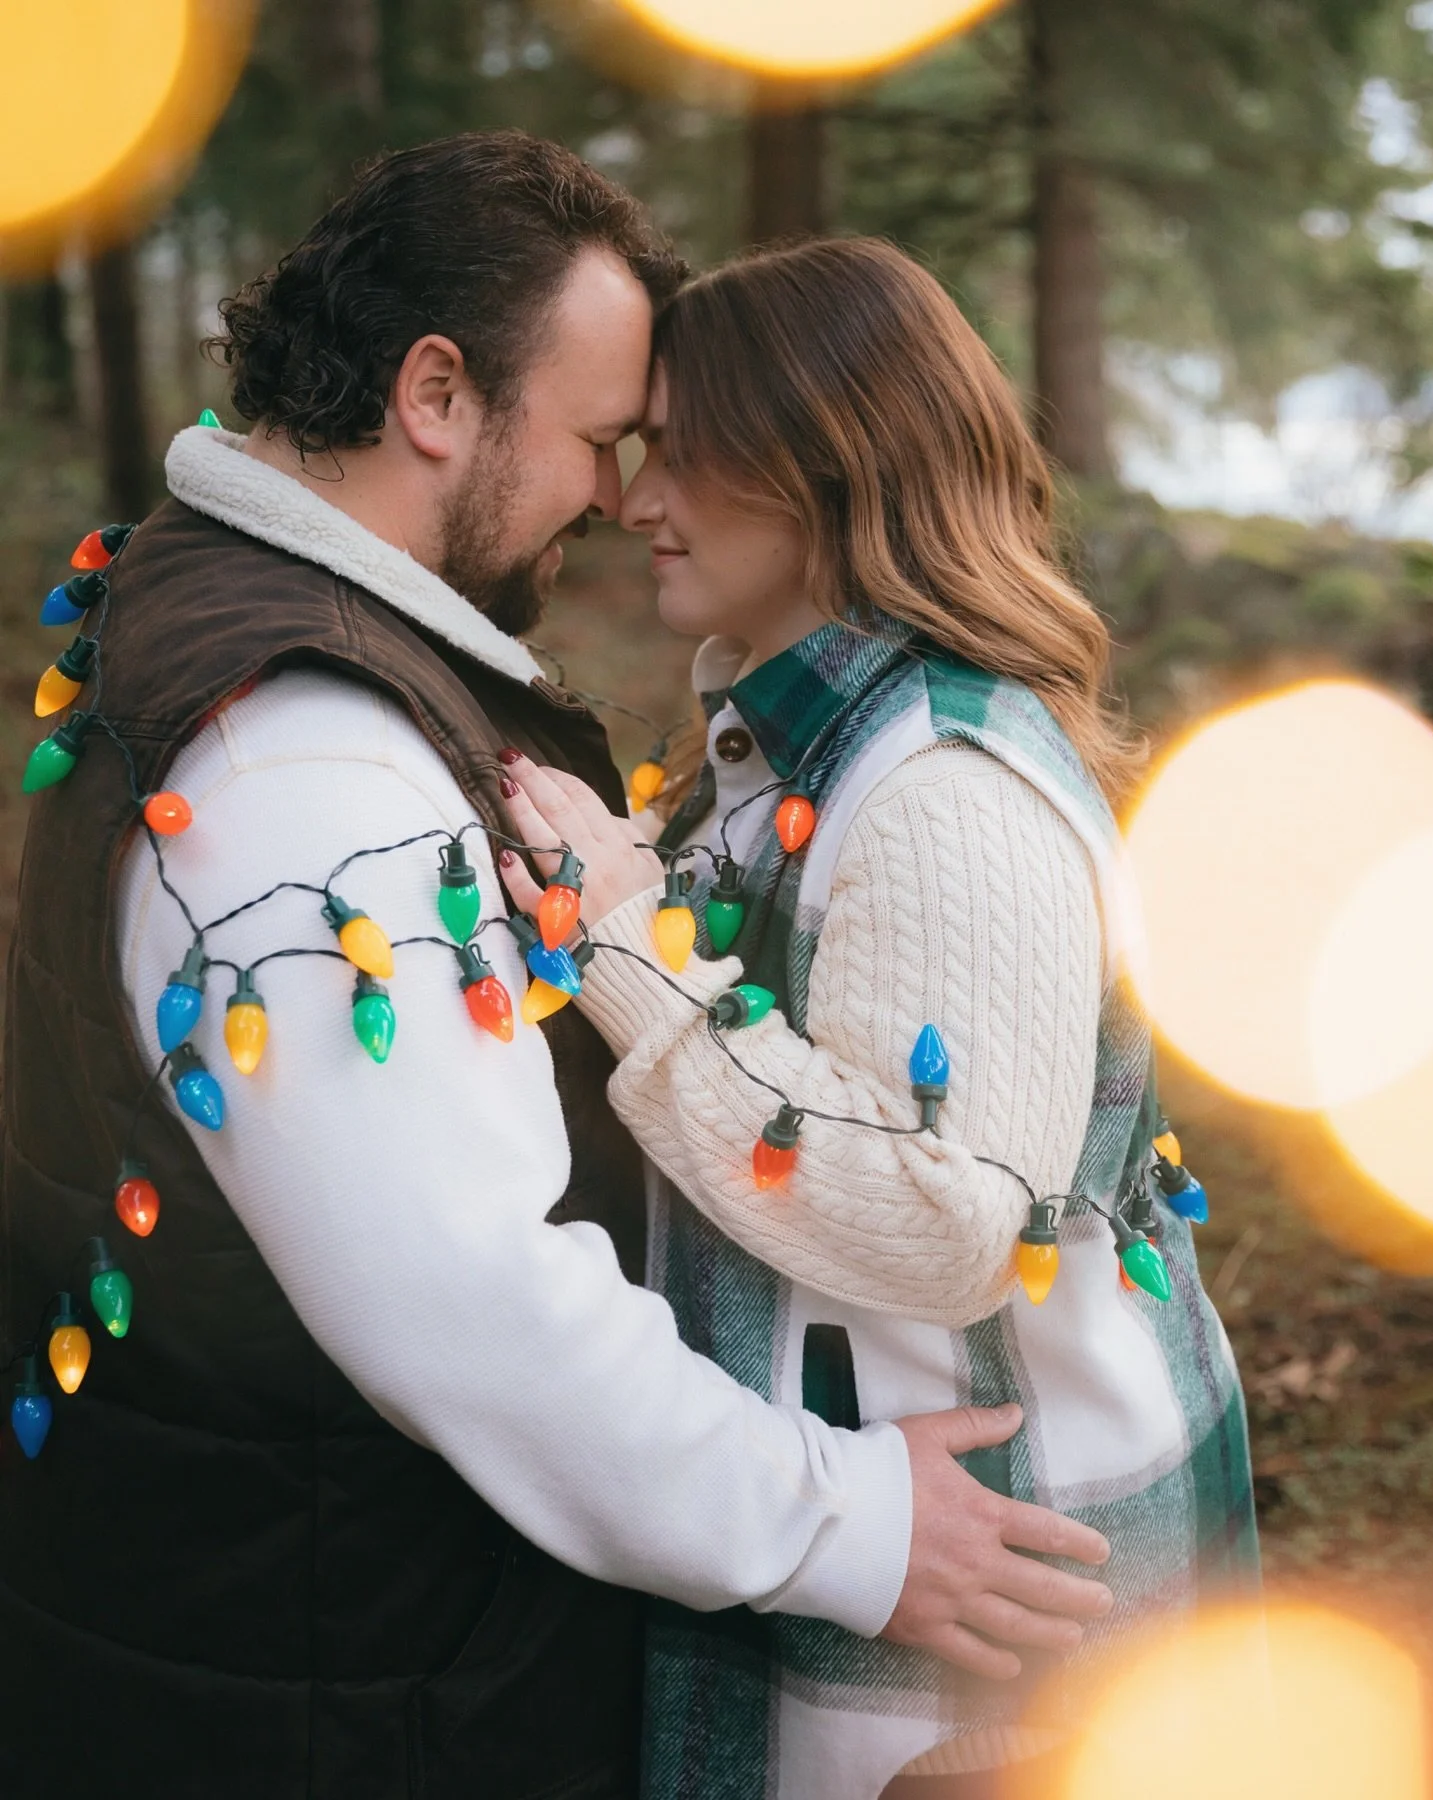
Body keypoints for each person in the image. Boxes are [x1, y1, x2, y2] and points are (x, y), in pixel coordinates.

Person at [0, 140, 1116, 1800]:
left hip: (298, 1637)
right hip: (333, 1693)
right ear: (437, 394)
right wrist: (848, 1525)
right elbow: (474, 1306)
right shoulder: (307, 766)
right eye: (600, 441)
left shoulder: (239, 632)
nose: (615, 496)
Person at [498, 237, 1260, 1800]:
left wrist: (620, 939)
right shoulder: (799, 745)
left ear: (825, 459)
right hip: (896, 1520)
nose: (639, 500)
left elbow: (949, 1217)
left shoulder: (942, 787)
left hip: (1005, 1596)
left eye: (686, 455)